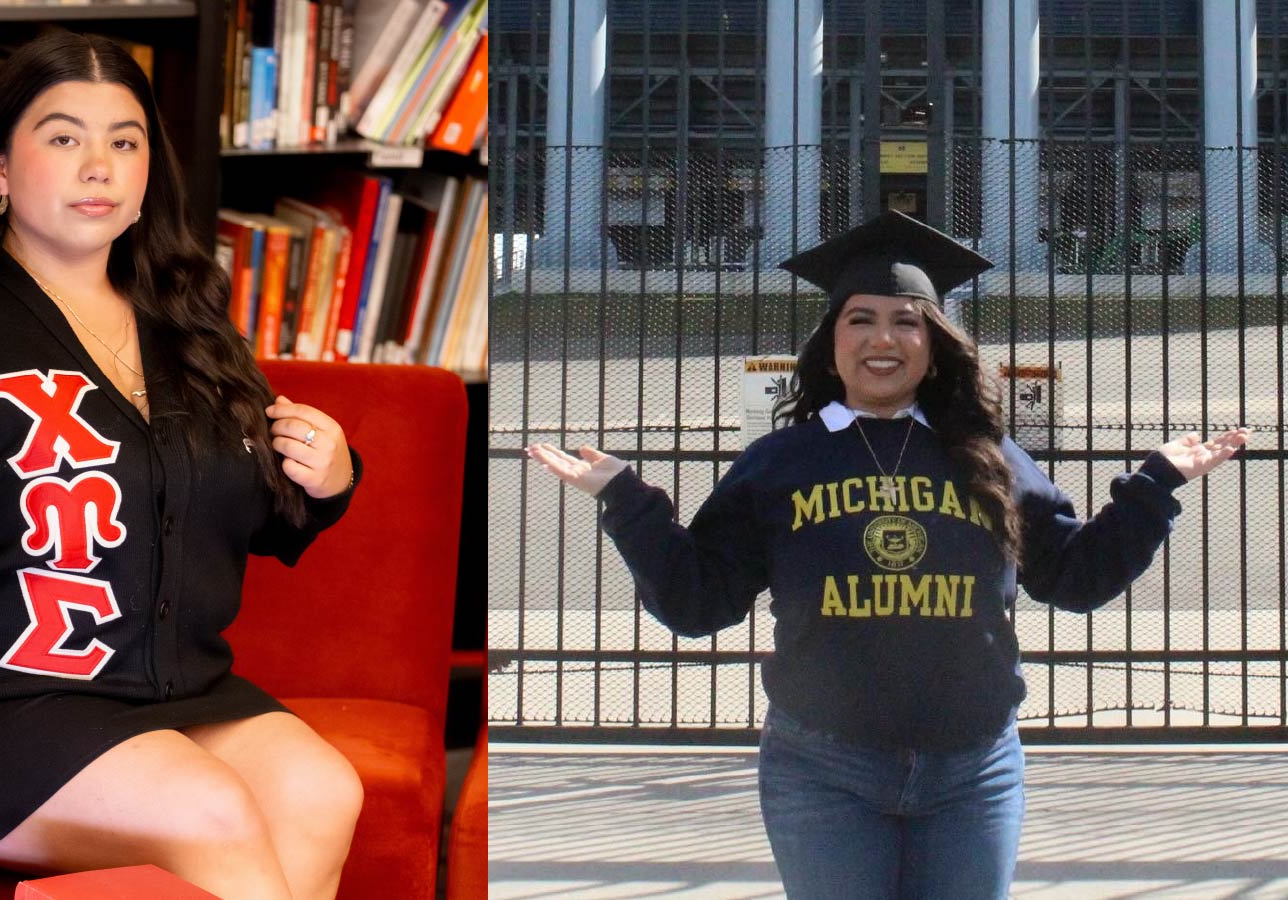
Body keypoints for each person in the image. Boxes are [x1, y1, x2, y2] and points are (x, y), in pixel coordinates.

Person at [525, 210, 1250, 899]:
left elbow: (1074, 576)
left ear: (934, 342)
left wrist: (1154, 486)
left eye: (907, 321)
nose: (884, 338)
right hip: (823, 769)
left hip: (974, 770)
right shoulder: (781, 463)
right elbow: (698, 602)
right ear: (832, 339)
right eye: (861, 319)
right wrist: (628, 502)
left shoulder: (986, 458)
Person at [0, 32, 364, 900]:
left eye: (125, 141)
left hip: (174, 691)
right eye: (65, 137)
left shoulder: (188, 323)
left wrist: (329, 478)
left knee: (323, 789)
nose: (99, 167)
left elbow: (246, 516)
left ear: (150, 172)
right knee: (210, 814)